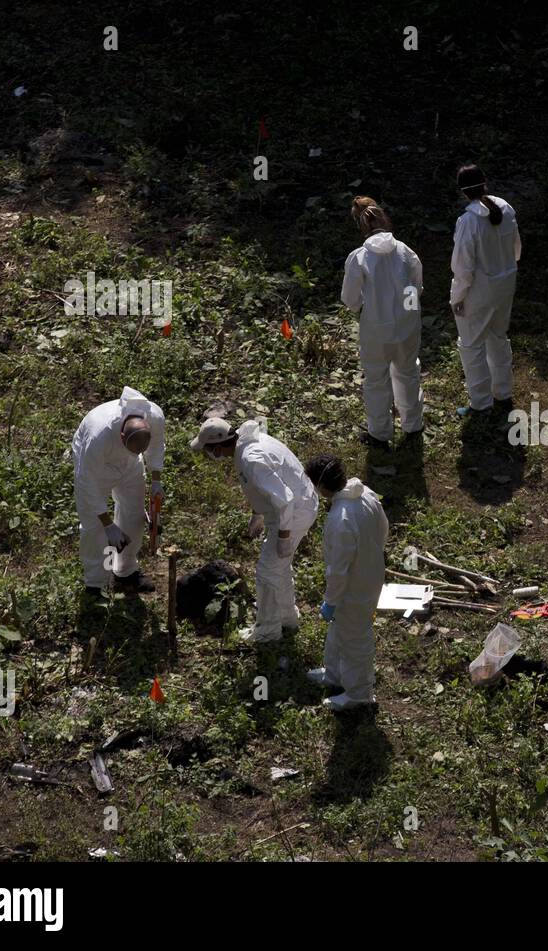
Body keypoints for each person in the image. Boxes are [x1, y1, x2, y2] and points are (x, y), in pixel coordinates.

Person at [190, 418, 318, 644]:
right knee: (279, 566)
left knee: (267, 571)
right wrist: (258, 514)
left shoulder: (251, 459)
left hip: (293, 512)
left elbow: (284, 499)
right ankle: (287, 617)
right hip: (294, 507)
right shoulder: (247, 444)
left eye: (208, 450)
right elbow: (266, 488)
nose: (208, 456)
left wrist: (284, 536)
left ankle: (268, 631)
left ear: (218, 447)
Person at [303, 455, 389, 710]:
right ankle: (334, 674)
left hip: (354, 588)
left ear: (321, 486)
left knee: (355, 638)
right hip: (370, 572)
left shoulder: (340, 519)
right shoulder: (366, 493)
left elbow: (338, 571)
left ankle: (359, 694)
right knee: (339, 629)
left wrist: (331, 600)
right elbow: (383, 527)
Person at [341, 196, 425, 447]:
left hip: (376, 330)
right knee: (408, 373)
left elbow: (350, 298)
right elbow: (416, 287)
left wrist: (362, 308)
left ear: (361, 226)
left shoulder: (359, 257)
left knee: (377, 380)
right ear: (385, 219)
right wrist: (407, 311)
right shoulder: (405, 251)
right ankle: (413, 426)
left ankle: (379, 433)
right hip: (407, 326)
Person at [71, 386, 165, 594]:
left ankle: (125, 571)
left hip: (130, 466)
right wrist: (107, 524)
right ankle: (96, 584)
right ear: (121, 436)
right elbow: (87, 483)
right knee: (94, 527)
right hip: (98, 469)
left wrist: (156, 479)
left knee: (133, 514)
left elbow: (157, 446)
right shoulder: (98, 436)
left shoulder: (155, 416)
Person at [449, 164, 521, 416]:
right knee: (498, 338)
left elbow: (463, 268)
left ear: (462, 192)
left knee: (471, 345)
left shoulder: (468, 221)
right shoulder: (506, 209)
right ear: (485, 182)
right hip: (505, 286)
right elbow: (516, 250)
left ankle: (481, 404)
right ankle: (503, 392)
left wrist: (457, 297)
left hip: (479, 291)